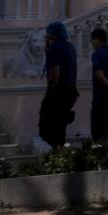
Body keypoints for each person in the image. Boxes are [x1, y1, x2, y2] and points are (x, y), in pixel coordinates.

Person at [37, 21, 79, 150]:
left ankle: (56, 150)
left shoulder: (55, 48)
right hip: (71, 90)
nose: (46, 36)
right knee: (60, 123)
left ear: (52, 34)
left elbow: (55, 74)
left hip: (59, 91)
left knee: (49, 123)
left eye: (47, 33)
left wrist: (49, 92)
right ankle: (60, 147)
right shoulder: (70, 46)